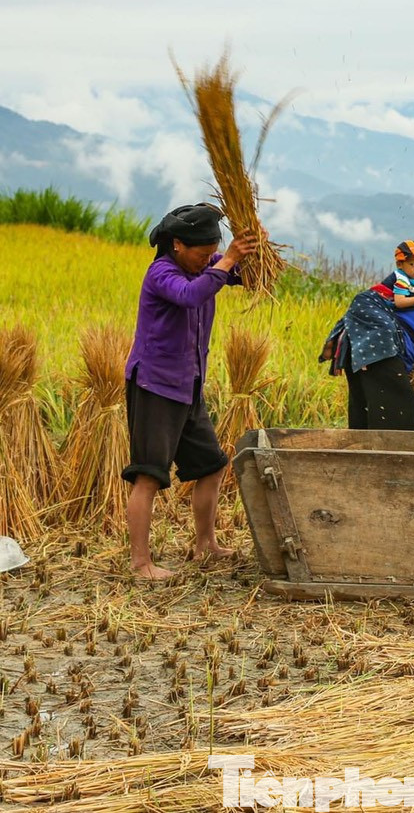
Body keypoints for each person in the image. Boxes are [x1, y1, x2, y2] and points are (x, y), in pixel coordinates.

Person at [123, 203, 259, 581]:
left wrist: (253, 257)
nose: (206, 261)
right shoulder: (161, 273)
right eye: (201, 255)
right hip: (155, 384)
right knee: (148, 475)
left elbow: (236, 276)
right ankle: (140, 564)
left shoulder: (205, 264)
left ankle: (205, 545)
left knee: (213, 466)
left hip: (189, 385)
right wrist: (226, 260)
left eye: (210, 255)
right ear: (178, 245)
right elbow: (191, 294)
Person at [321, 269, 414, 430]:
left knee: (363, 412)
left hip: (355, 350)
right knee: (400, 409)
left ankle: (362, 453)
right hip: (380, 353)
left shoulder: (412, 302)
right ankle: (391, 455)